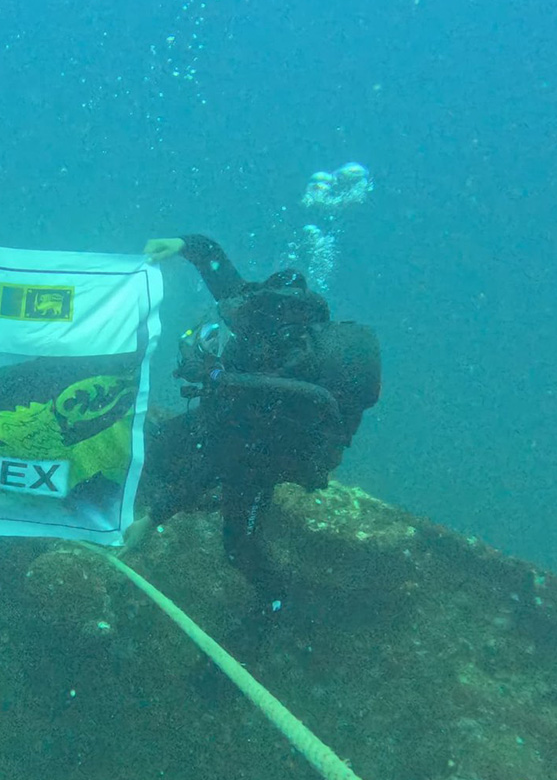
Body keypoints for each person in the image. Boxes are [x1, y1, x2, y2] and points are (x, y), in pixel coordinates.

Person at [135, 234, 382, 571]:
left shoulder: (284, 364)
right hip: (229, 426)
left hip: (261, 456)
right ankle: (205, 500)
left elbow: (227, 453)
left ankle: (276, 606)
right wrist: (181, 244)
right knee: (152, 451)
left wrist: (152, 519)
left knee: (240, 547)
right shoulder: (254, 311)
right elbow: (214, 261)